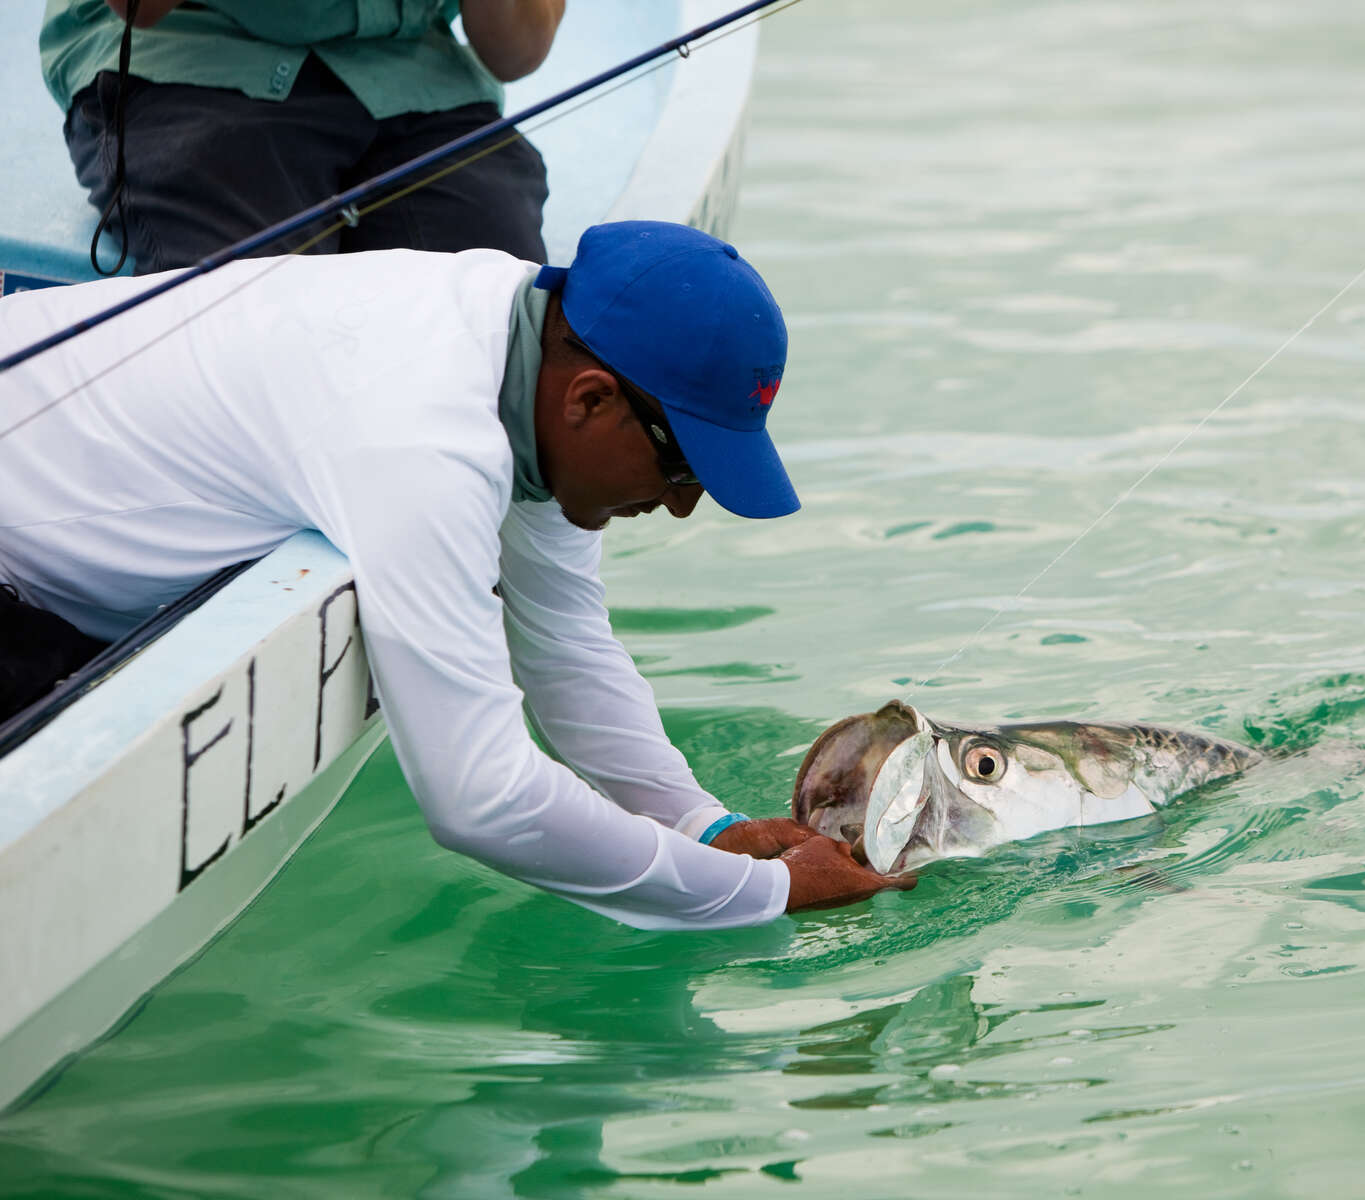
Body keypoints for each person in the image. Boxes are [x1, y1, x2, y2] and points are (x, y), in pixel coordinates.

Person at [0, 219, 913, 925]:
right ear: (590, 400)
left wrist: (702, 826)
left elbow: (563, 645)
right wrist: (764, 896)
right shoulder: (422, 436)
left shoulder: (526, 337)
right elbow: (480, 797)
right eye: (683, 471)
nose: (681, 507)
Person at [41, 0, 563, 272]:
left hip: (411, 73)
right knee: (256, 344)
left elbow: (517, 50)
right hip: (191, 60)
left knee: (492, 333)